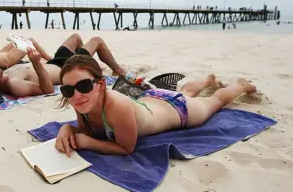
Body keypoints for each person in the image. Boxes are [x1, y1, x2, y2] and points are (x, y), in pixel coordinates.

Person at [54, 55, 257, 156]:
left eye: (83, 85)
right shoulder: (79, 99)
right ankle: (206, 80)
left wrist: (87, 143)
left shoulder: (116, 105)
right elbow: (84, 130)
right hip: (151, 98)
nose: (76, 95)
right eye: (68, 90)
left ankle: (240, 86)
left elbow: (126, 148)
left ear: (99, 85)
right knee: (184, 92)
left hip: (178, 110)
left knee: (214, 102)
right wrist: (66, 128)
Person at [0, 33, 126, 97]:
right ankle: (118, 71)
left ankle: (89, 65)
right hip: (67, 68)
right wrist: (36, 63)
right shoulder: (14, 85)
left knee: (76, 38)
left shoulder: (3, 75)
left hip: (55, 62)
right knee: (97, 41)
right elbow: (47, 89)